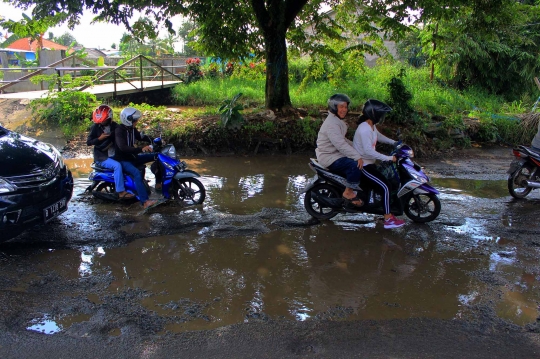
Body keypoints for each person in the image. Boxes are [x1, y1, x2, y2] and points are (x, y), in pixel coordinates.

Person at [353, 99, 405, 229]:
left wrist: (393, 143)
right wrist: (388, 158)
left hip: (369, 163)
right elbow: (368, 151)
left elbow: (378, 136)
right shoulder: (364, 129)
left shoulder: (370, 125)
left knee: (385, 182)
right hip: (364, 166)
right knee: (386, 186)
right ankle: (388, 219)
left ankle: (379, 207)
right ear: (374, 114)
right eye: (381, 115)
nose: (382, 118)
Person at [316, 93, 364, 207]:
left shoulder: (336, 121)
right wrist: (357, 156)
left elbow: (343, 140)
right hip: (329, 157)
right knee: (355, 165)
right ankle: (348, 192)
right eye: (341, 107)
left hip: (334, 154)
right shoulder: (331, 124)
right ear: (334, 107)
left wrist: (358, 147)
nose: (344, 110)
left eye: (346, 107)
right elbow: (340, 144)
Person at [86, 104, 134, 200]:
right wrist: (99, 138)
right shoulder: (95, 127)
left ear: (109, 118)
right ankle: (121, 191)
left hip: (114, 155)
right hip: (102, 157)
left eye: (104, 120)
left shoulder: (115, 126)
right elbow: (89, 142)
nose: (102, 122)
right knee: (117, 166)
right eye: (101, 121)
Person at [114, 107, 158, 209]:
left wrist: (154, 141)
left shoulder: (132, 129)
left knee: (157, 156)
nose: (137, 122)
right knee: (136, 174)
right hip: (123, 160)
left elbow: (141, 137)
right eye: (135, 120)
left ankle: (159, 184)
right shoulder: (119, 131)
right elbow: (123, 147)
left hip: (133, 157)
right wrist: (141, 149)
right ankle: (145, 201)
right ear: (128, 120)